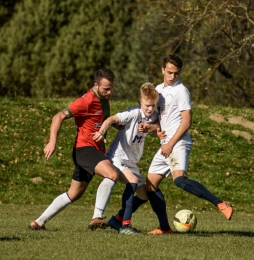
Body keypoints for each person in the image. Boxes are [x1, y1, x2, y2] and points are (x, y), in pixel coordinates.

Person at [143, 54, 233, 235]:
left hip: (177, 143)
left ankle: (220, 203)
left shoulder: (181, 91)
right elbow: (159, 118)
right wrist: (154, 129)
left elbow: (186, 121)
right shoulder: (158, 89)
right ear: (162, 70)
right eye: (169, 72)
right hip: (165, 145)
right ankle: (164, 228)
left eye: (176, 73)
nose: (172, 77)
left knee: (180, 180)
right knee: (149, 186)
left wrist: (170, 144)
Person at [29, 68, 119, 230]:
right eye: (106, 89)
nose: (110, 92)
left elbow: (103, 121)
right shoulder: (86, 101)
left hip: (92, 151)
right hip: (84, 150)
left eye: (111, 88)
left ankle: (38, 222)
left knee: (74, 193)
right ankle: (97, 217)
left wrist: (118, 123)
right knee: (112, 174)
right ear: (95, 85)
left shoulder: (103, 99)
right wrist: (52, 142)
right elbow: (59, 116)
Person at [90, 82, 162, 234]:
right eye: (147, 105)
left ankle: (116, 220)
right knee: (133, 181)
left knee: (144, 195)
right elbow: (111, 119)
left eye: (153, 106)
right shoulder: (133, 114)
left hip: (131, 163)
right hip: (117, 158)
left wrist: (154, 130)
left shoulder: (153, 115)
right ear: (139, 102)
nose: (150, 109)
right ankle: (126, 226)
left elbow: (157, 124)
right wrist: (102, 131)